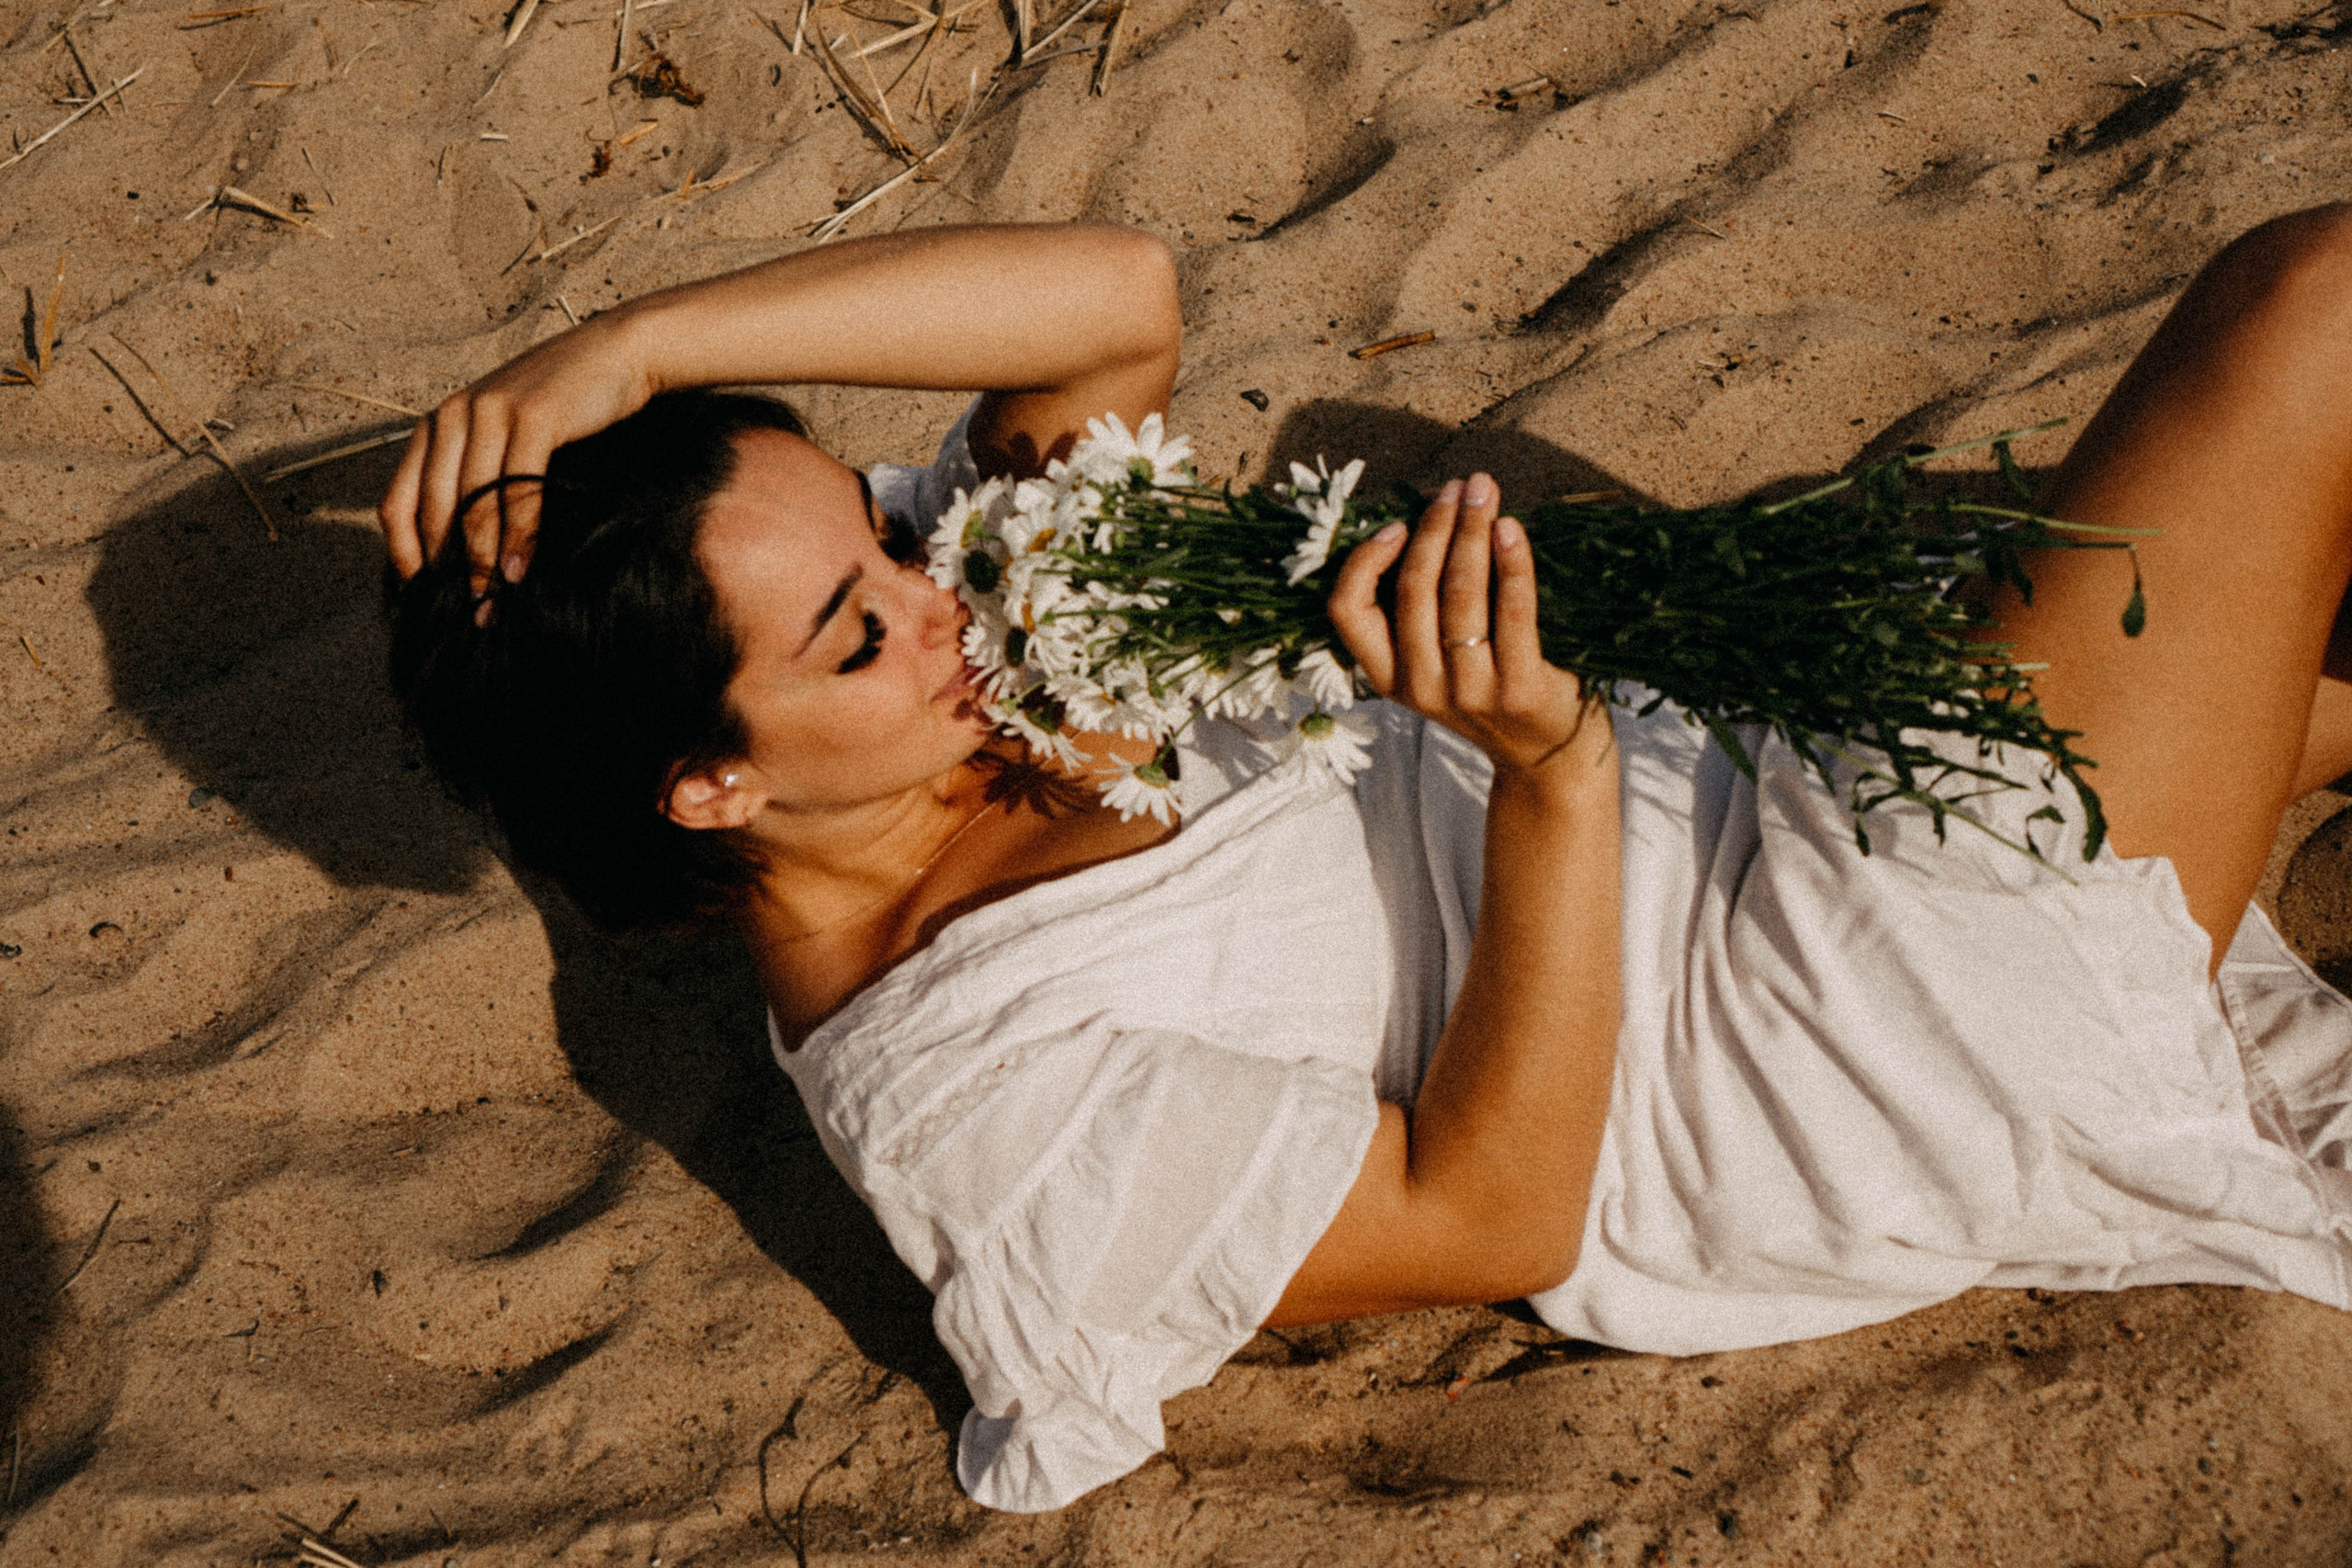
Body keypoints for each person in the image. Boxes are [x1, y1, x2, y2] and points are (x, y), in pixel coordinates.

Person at [379, 214, 2352, 1513]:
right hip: (1812, 1049)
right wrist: (1550, 769)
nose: (939, 593)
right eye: (854, 625)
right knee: (2303, 310)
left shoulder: (969, 644)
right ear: (704, 787)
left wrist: (630, 347)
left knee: (2270, 615)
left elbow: (1111, 303)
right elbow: (1491, 1210)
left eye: (881, 542)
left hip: (1744, 782)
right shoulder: (979, 1108)